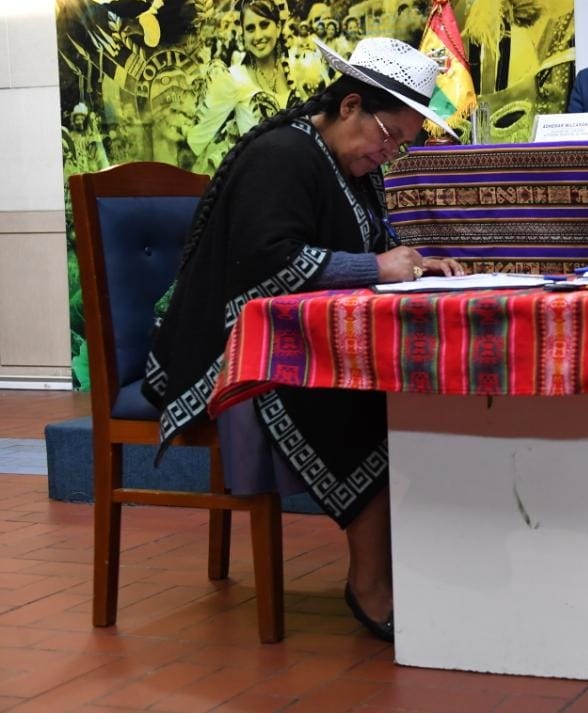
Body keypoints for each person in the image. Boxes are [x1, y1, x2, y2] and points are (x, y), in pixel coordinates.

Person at [143, 38, 464, 642]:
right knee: (367, 405)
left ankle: (400, 573)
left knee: (405, 394)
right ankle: (370, 586)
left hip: (292, 341)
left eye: (402, 144)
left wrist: (416, 263)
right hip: (233, 355)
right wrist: (377, 268)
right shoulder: (282, 156)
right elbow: (268, 263)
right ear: (350, 106)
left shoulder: (345, 164)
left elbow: (364, 246)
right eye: (389, 137)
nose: (390, 153)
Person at [189, 0, 305, 173]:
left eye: (264, 25)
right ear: (243, 33)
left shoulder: (299, 71)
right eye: (250, 28)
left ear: (278, 27)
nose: (258, 36)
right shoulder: (232, 79)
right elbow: (195, 142)